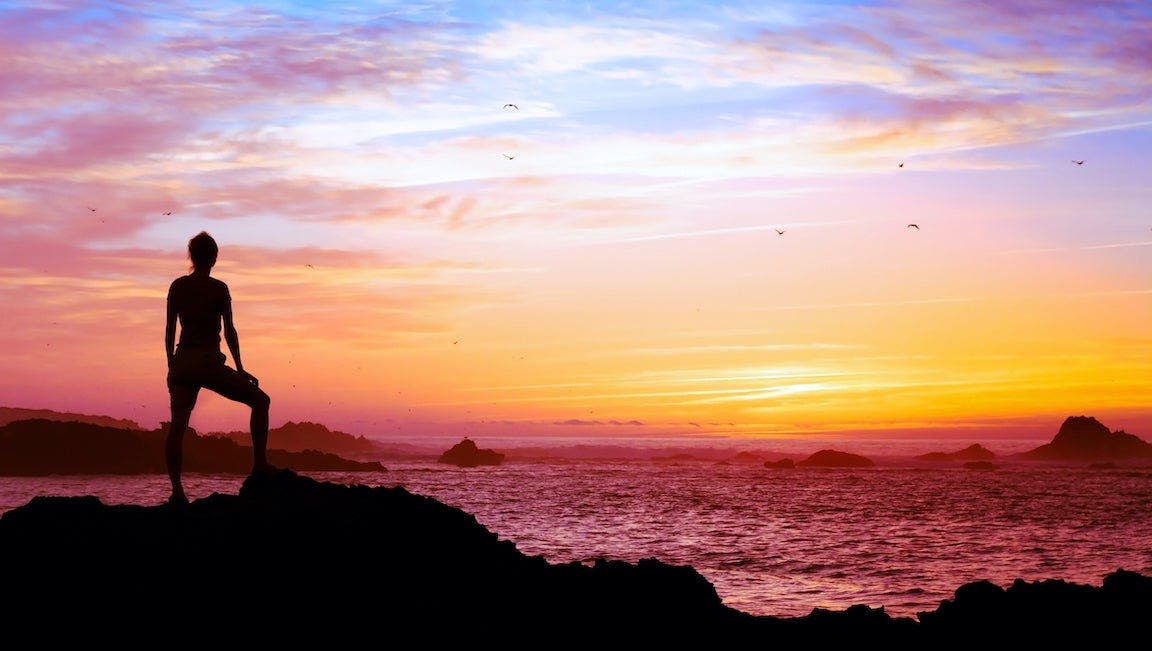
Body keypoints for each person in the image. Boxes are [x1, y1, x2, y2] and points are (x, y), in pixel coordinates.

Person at [165, 231, 273, 504]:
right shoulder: (219, 288)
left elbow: (169, 332)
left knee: (177, 428)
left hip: (182, 363)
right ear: (214, 257)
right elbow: (230, 333)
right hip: (207, 362)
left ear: (191, 256)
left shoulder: (177, 286)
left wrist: (171, 366)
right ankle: (259, 465)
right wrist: (240, 368)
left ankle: (177, 491)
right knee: (260, 401)